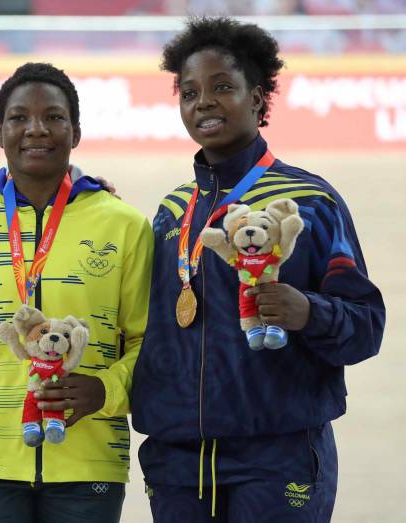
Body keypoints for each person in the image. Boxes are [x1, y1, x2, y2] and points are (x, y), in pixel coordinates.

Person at [130, 17, 385, 523]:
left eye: (223, 87)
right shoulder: (172, 212)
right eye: (189, 92)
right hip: (178, 462)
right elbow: (145, 327)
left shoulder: (308, 202)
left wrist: (308, 311)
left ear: (258, 97)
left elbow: (366, 326)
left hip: (277, 458)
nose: (204, 102)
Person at [0, 62, 152, 523]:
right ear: (0, 132)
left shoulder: (125, 225)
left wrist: (106, 390)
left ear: (76, 132)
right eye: (19, 117)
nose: (36, 129)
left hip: (89, 460)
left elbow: (149, 340)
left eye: (53, 117)